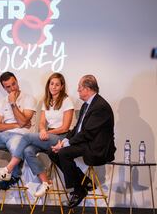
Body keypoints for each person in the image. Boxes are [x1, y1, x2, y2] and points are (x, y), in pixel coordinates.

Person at [0, 72, 74, 198]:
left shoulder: (67, 101)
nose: (54, 87)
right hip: (48, 135)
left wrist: (46, 132)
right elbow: (41, 123)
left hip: (61, 137)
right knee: (28, 150)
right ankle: (45, 182)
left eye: (57, 84)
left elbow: (65, 127)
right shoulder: (47, 101)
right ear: (48, 85)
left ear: (62, 86)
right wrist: (42, 130)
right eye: (51, 84)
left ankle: (7, 170)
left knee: (27, 137)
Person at [48, 75, 115, 208]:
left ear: (87, 89)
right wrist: (63, 141)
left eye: (79, 87)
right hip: (86, 142)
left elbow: (88, 133)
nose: (78, 90)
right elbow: (77, 129)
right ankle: (84, 183)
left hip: (96, 147)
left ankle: (78, 191)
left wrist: (65, 145)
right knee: (52, 152)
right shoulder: (87, 105)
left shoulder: (100, 106)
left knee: (63, 153)